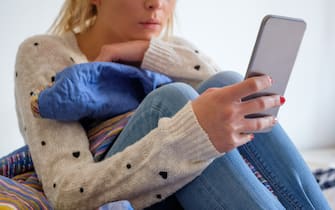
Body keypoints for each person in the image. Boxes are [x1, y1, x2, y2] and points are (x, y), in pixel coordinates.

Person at [14, 0, 330, 209]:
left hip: (181, 188)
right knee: (173, 99)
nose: (157, 4)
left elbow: (220, 84)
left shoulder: (174, 49)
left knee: (227, 82)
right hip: (125, 192)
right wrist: (191, 137)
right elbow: (68, 192)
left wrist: (148, 52)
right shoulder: (44, 52)